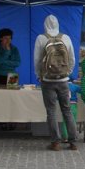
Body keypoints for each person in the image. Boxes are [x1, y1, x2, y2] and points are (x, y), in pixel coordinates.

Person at [34, 15, 78, 151]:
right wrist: (67, 73)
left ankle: (56, 143)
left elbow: (36, 60)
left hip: (47, 81)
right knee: (67, 111)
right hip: (64, 81)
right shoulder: (66, 38)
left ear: (45, 24)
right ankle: (73, 142)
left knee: (51, 112)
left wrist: (39, 76)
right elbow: (72, 59)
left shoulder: (41, 38)